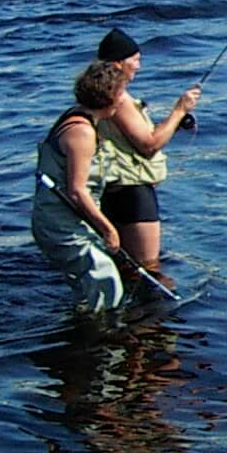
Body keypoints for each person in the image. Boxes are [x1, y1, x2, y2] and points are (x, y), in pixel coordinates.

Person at [91, 27, 201, 271]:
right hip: (133, 194)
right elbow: (149, 145)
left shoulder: (100, 96)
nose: (139, 66)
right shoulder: (118, 98)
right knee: (148, 268)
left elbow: (137, 139)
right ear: (118, 64)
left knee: (125, 268)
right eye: (135, 60)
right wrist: (179, 110)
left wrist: (173, 123)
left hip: (114, 192)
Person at [30, 60, 131, 312]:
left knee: (87, 290)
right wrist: (108, 229)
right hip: (62, 226)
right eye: (121, 93)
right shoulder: (82, 133)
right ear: (108, 97)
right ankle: (105, 333)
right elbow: (77, 191)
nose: (123, 99)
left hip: (63, 220)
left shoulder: (77, 116)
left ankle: (84, 325)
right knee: (107, 283)